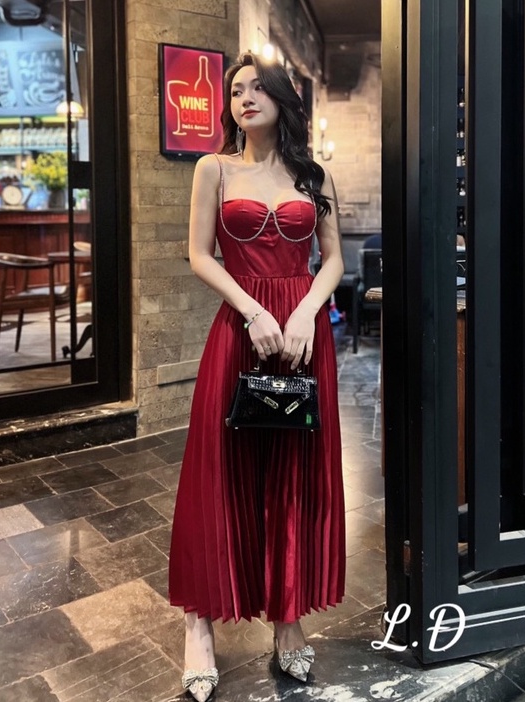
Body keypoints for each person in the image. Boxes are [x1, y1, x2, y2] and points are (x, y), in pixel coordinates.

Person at [168, 52, 346, 702]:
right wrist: (252, 310)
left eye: (256, 87)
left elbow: (332, 260)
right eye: (235, 90)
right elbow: (198, 254)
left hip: (301, 336)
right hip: (242, 332)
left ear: (281, 97)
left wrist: (304, 312)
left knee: (292, 473)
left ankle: (288, 616)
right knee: (220, 472)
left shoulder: (313, 175)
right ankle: (199, 624)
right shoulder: (213, 169)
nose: (243, 97)